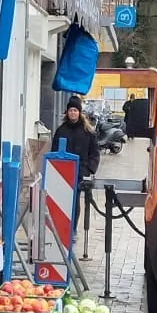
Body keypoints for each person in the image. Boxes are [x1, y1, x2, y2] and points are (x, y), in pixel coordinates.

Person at [53, 95, 101, 228]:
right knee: (62, 201)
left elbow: (94, 153)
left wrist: (89, 170)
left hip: (79, 173)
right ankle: (61, 228)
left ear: (79, 113)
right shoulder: (61, 131)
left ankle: (72, 228)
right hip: (62, 173)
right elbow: (54, 151)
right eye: (70, 110)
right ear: (67, 112)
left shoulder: (88, 132)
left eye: (75, 110)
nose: (73, 113)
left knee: (74, 202)